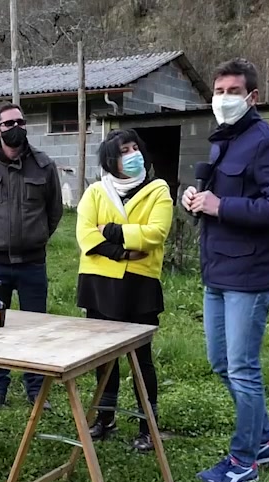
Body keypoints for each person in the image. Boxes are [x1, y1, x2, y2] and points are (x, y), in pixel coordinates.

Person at [183, 58, 269, 482]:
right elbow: (223, 196)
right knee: (221, 362)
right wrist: (198, 199)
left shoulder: (268, 142)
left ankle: (244, 460)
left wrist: (222, 206)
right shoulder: (224, 142)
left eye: (233, 91)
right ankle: (266, 440)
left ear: (252, 97)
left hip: (251, 275)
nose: (223, 99)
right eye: (218, 91)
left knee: (242, 368)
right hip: (218, 271)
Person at [75, 129, 172, 451]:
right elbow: (85, 235)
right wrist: (122, 252)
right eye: (123, 150)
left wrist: (112, 231)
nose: (132, 154)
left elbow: (155, 234)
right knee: (103, 357)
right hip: (99, 283)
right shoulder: (95, 192)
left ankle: (148, 425)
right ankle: (105, 417)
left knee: (140, 358)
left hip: (140, 285)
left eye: (134, 147)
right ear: (110, 160)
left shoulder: (158, 190)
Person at [0, 101, 63, 410]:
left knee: (35, 328)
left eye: (21, 122)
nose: (16, 128)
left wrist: (34, 237)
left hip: (33, 263)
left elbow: (54, 211)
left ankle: (36, 390)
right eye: (9, 124)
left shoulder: (44, 165)